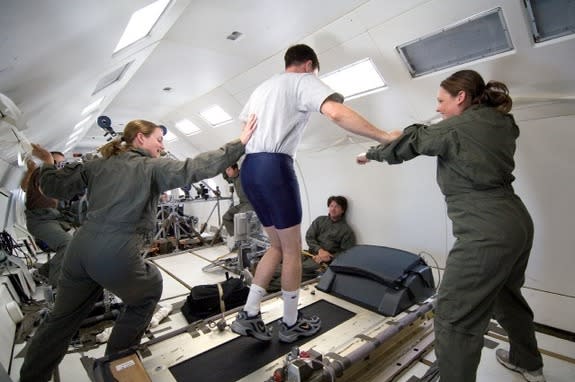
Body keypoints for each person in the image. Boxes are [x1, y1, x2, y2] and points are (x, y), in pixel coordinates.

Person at [19, 117, 256, 382]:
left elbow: (53, 187)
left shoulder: (97, 163)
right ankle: (116, 367)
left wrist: (48, 164)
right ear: (140, 138)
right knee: (149, 288)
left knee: (60, 321)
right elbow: (194, 168)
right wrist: (240, 143)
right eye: (158, 139)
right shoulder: (150, 167)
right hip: (114, 251)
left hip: (80, 249)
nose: (162, 145)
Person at [356, 70, 545, 382]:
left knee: (453, 316)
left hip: (486, 231)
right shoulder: (501, 123)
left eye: (441, 101)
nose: (438, 108)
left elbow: (414, 141)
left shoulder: (457, 129)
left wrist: (371, 154)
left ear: (461, 97)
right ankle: (528, 362)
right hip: (517, 224)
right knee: (507, 296)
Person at [231, 44, 398, 343]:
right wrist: (384, 136)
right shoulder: (303, 80)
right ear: (309, 65)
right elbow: (335, 113)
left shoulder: (263, 87)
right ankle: (290, 323)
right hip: (275, 166)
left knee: (276, 247)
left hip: (250, 168)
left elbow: (247, 127)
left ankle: (249, 314)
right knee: (292, 249)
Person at [268, 195, 356, 292]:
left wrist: (329, 257)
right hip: (309, 253)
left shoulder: (347, 231)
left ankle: (268, 286)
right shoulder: (320, 220)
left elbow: (346, 254)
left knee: (296, 270)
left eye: (337, 207)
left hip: (321, 263)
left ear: (343, 210)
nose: (333, 209)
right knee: (290, 261)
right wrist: (319, 250)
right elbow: (309, 237)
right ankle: (265, 276)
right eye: (331, 206)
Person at [20, 151, 72, 287]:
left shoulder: (56, 179)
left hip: (53, 218)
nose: (58, 166)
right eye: (55, 163)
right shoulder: (41, 174)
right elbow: (35, 186)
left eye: (61, 164)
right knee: (67, 245)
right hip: (40, 220)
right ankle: (56, 285)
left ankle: (43, 273)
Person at [221, 163, 253, 237]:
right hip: (242, 203)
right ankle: (235, 238)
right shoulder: (233, 178)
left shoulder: (245, 174)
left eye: (229, 169)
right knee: (226, 217)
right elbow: (225, 176)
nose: (227, 172)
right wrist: (224, 162)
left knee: (239, 217)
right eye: (226, 170)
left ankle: (243, 239)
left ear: (235, 169)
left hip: (251, 203)